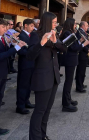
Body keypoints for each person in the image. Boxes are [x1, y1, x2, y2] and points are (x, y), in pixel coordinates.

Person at [26, 12, 67, 140]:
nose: (55, 24)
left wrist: (55, 41)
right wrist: (42, 42)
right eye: (54, 22)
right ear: (48, 22)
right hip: (42, 78)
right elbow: (30, 56)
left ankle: (42, 135)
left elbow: (64, 49)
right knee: (40, 110)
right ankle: (35, 137)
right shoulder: (35, 35)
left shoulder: (54, 34)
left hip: (54, 76)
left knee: (47, 110)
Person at [60, 18, 89, 112]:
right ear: (70, 24)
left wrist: (80, 41)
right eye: (75, 23)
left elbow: (74, 45)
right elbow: (72, 48)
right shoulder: (67, 33)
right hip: (70, 59)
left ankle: (68, 99)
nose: (76, 25)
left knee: (70, 81)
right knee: (68, 81)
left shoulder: (69, 33)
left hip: (72, 59)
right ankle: (66, 103)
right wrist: (84, 44)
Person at [15, 19, 36, 115]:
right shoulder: (21, 36)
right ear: (26, 25)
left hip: (31, 63)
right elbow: (20, 51)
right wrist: (32, 52)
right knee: (23, 85)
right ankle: (20, 105)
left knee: (28, 85)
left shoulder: (30, 35)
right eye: (31, 26)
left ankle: (26, 101)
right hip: (25, 64)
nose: (33, 28)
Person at [76, 21, 89, 92]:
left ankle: (81, 84)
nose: (88, 27)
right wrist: (87, 49)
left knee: (82, 71)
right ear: (82, 26)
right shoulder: (80, 32)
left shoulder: (83, 32)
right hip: (82, 54)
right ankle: (79, 87)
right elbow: (82, 44)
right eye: (86, 25)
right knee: (80, 71)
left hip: (84, 54)